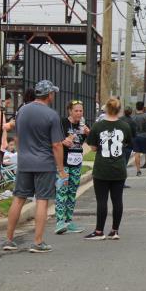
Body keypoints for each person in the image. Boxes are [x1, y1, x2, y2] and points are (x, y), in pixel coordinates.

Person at [3, 80, 66, 253]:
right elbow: (57, 144)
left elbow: (17, 137)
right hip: (44, 163)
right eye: (52, 93)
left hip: (24, 161)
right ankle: (37, 242)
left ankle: (9, 239)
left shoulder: (22, 111)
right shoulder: (51, 115)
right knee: (42, 201)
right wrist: (61, 169)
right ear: (49, 95)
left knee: (18, 198)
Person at [83, 97, 132, 240]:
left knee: (102, 201)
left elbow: (93, 148)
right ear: (119, 110)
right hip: (119, 167)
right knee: (117, 200)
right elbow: (127, 143)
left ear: (106, 109)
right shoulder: (125, 126)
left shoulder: (98, 126)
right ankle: (115, 230)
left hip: (102, 168)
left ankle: (99, 231)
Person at [55, 100, 88, 234]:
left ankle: (68, 221)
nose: (79, 113)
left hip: (77, 162)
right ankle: (59, 222)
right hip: (64, 162)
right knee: (62, 191)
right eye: (76, 111)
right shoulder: (63, 122)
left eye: (81, 111)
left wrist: (88, 133)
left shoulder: (82, 125)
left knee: (72, 192)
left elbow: (86, 143)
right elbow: (56, 140)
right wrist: (64, 141)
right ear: (70, 111)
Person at [131, 100, 146, 177]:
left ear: (136, 108)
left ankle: (138, 170)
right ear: (143, 108)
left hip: (136, 136)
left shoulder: (133, 117)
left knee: (137, 153)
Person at [121, 107, 138, 188]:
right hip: (128, 145)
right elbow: (134, 134)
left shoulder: (119, 120)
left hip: (118, 144)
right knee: (125, 163)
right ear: (131, 113)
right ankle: (122, 182)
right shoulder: (132, 122)